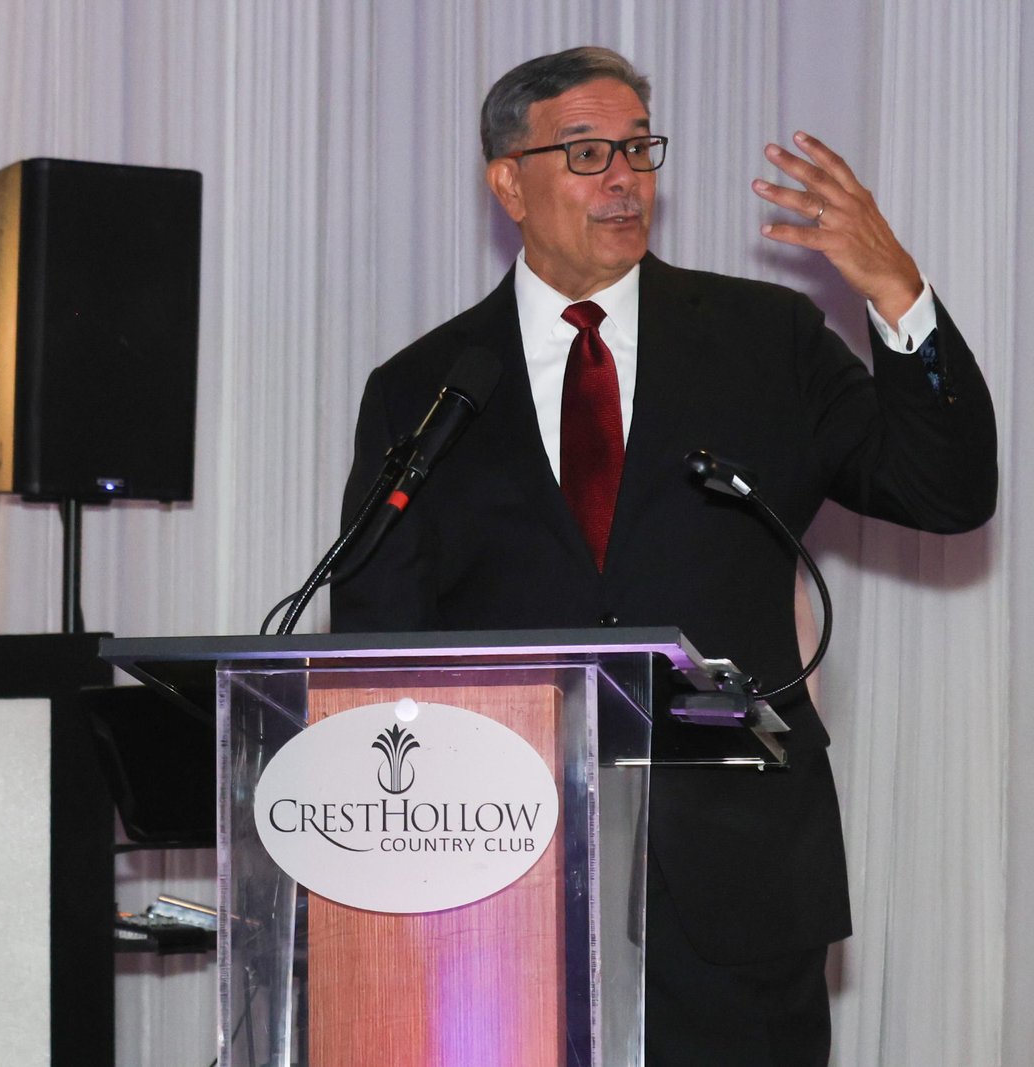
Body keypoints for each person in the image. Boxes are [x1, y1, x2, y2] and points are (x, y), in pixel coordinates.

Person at [331, 46, 997, 1066]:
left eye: (638, 149)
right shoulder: (426, 386)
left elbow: (945, 491)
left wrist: (895, 292)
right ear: (508, 182)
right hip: (500, 885)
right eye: (586, 152)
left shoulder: (766, 338)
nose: (624, 178)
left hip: (737, 882)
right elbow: (378, 641)